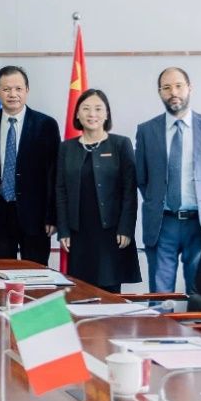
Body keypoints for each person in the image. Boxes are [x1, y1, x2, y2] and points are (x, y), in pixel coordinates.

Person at [135, 68, 201, 295]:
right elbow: (142, 178)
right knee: (160, 297)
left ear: (190, 88)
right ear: (160, 92)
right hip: (162, 223)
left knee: (200, 294)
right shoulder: (147, 130)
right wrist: (157, 200)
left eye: (179, 86)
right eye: (166, 87)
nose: (173, 92)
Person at [0, 65, 60, 263]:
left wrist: (52, 216)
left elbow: (54, 173)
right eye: (6, 89)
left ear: (27, 90)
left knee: (36, 274)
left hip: (36, 216)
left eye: (18, 89)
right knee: (3, 272)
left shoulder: (46, 125)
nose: (13, 94)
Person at [55, 90, 139, 292]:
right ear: (77, 114)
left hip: (111, 233)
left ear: (107, 114)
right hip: (78, 233)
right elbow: (61, 190)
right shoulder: (66, 148)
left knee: (109, 291)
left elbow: (129, 191)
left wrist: (126, 228)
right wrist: (63, 230)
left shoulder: (120, 144)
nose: (92, 114)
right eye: (86, 109)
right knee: (80, 290)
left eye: (98, 109)